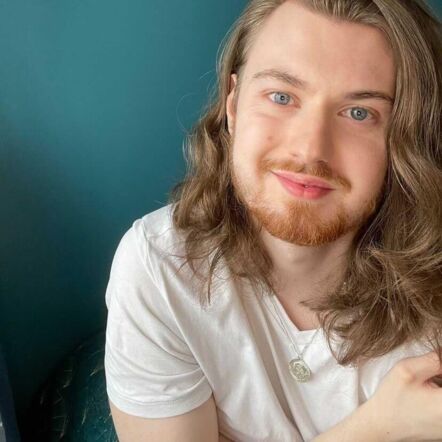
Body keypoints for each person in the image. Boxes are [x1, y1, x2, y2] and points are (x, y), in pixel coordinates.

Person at [104, 0, 442, 440]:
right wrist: (377, 430)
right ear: (233, 104)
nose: (309, 150)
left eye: (359, 112)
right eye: (281, 97)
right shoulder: (160, 267)